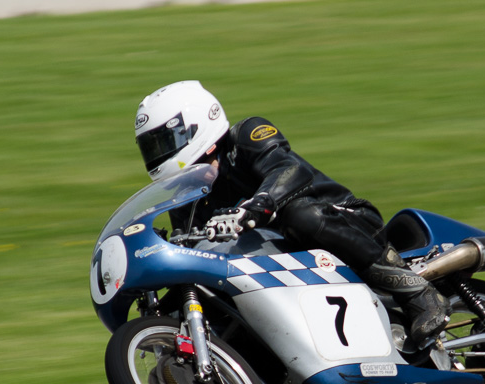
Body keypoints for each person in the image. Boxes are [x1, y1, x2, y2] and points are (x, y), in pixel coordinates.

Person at [134, 80, 449, 346]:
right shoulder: (188, 198)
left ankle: (417, 293)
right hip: (286, 262)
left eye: (165, 141)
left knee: (300, 215)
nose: (160, 154)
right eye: (152, 147)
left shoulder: (245, 136)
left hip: (345, 220)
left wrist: (258, 205)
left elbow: (290, 170)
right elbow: (194, 256)